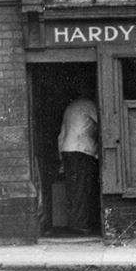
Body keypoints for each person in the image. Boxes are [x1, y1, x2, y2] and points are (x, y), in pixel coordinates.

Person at [57, 95, 99, 234]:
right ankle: (80, 224)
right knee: (82, 188)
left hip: (67, 150)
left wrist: (61, 159)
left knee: (73, 188)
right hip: (81, 150)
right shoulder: (89, 104)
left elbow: (61, 135)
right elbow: (105, 123)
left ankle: (75, 223)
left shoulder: (70, 108)